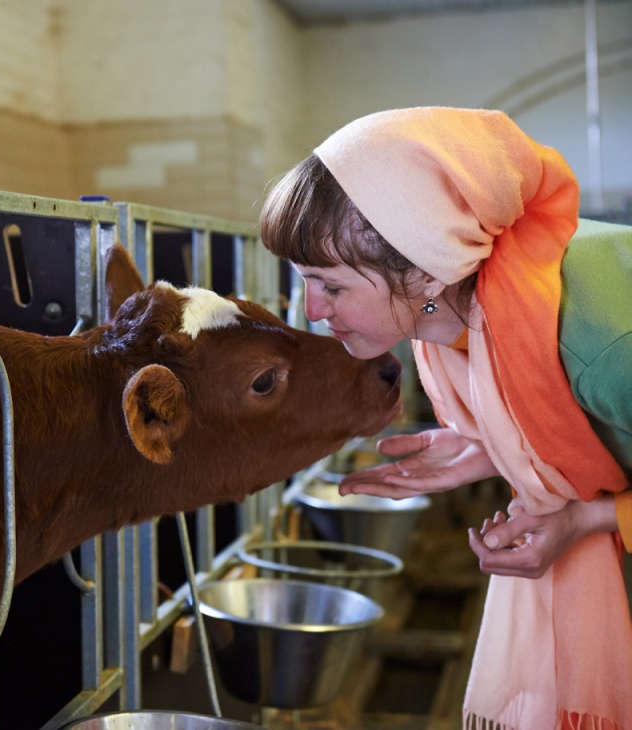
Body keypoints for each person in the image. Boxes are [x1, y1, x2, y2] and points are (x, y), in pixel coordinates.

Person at [259, 106, 632, 729]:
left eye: (331, 284)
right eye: (302, 280)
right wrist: (496, 445)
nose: (312, 308)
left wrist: (588, 518)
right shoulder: (456, 318)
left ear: (427, 267)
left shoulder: (597, 339)